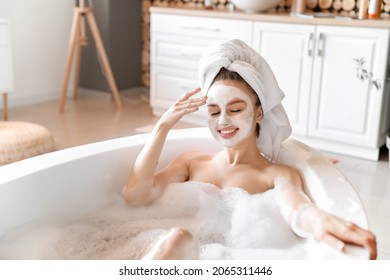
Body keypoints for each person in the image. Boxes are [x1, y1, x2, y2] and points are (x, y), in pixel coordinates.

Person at [122, 39, 377, 260]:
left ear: (259, 112)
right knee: (178, 239)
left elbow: (296, 209)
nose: (222, 121)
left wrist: (319, 220)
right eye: (213, 111)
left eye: (235, 109)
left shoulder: (277, 174)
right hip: (163, 252)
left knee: (179, 239)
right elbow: (135, 195)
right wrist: (162, 128)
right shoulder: (191, 162)